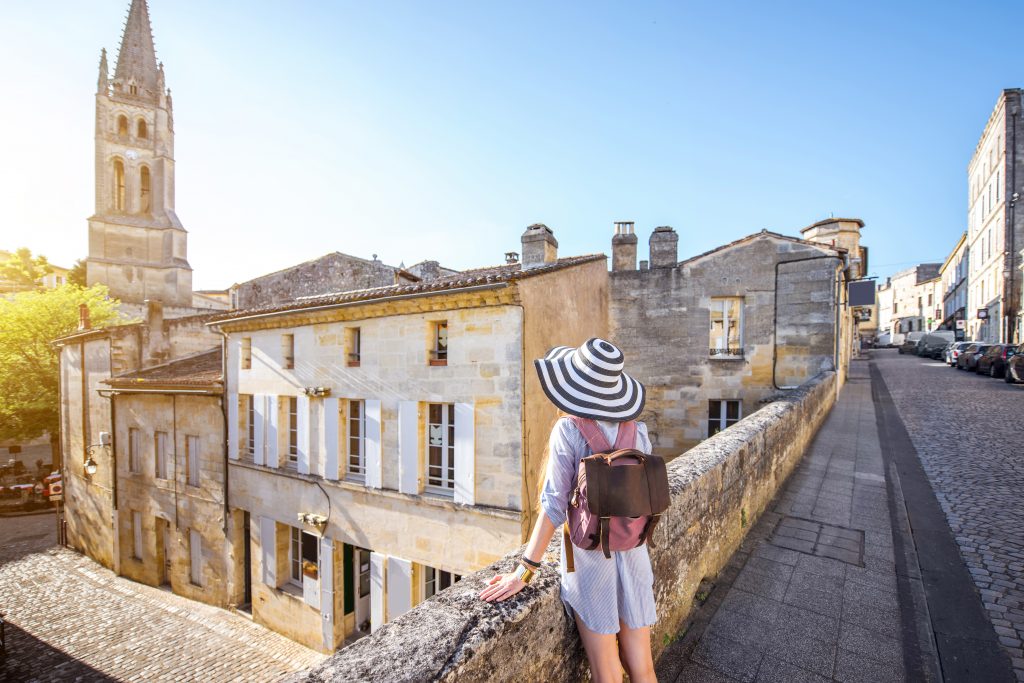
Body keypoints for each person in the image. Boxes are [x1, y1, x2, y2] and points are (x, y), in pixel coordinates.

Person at [479, 338, 657, 683]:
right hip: (634, 556)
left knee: (607, 672)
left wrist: (524, 572)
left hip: (591, 566)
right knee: (643, 668)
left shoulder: (569, 430)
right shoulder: (638, 431)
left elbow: (554, 506)